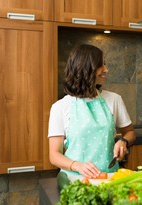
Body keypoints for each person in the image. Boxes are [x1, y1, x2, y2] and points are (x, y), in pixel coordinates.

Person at [48, 44, 136, 179]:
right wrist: (77, 165)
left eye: (105, 64)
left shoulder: (114, 99)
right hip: (74, 181)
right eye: (101, 66)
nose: (106, 70)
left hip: (110, 178)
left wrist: (123, 141)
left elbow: (130, 132)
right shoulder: (60, 107)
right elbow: (54, 155)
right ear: (85, 68)